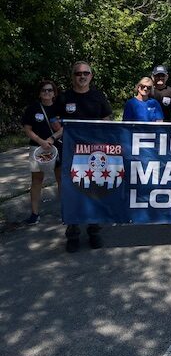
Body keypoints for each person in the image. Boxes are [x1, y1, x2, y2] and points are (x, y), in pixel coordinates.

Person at [57, 61, 112, 252]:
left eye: (85, 73)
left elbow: (107, 119)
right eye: (78, 73)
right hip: (71, 153)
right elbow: (55, 120)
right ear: (72, 76)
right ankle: (72, 234)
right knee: (72, 191)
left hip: (95, 153)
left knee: (94, 190)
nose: (82, 76)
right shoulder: (64, 97)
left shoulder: (98, 96)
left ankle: (94, 230)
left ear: (91, 76)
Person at [21, 80, 63, 224]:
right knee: (37, 180)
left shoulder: (59, 108)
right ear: (39, 93)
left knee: (61, 179)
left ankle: (65, 211)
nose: (47, 92)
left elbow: (65, 127)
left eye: (50, 90)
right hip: (37, 148)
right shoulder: (33, 108)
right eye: (44, 90)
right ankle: (34, 214)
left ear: (54, 92)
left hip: (58, 147)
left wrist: (52, 138)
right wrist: (41, 141)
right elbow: (27, 129)